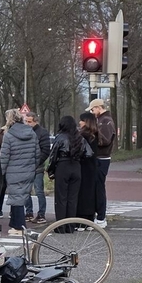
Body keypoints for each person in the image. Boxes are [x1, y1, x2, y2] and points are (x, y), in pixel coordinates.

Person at [0, 108, 38, 236]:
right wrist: (33, 166)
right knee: (21, 196)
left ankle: (19, 226)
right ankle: (15, 223)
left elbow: (4, 157)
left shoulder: (9, 135)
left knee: (16, 198)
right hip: (29, 169)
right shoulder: (32, 133)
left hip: (14, 171)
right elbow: (37, 153)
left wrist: (0, 173)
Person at [47, 116, 85, 233]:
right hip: (76, 167)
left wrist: (51, 171)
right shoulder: (80, 138)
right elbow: (88, 153)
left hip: (63, 167)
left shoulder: (60, 138)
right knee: (73, 198)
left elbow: (53, 156)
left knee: (61, 198)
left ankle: (61, 226)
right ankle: (70, 226)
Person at [87, 98, 115, 228]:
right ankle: (99, 215)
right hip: (99, 158)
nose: (92, 112)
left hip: (101, 158)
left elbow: (104, 141)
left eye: (93, 110)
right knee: (96, 187)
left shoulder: (105, 122)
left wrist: (93, 134)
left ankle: (101, 217)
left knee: (99, 187)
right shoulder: (102, 121)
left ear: (98, 108)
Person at [23, 110, 51, 225]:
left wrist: (37, 162)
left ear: (35, 122)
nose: (27, 124)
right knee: (26, 191)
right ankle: (29, 213)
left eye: (29, 122)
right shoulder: (25, 132)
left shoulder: (42, 133)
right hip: (26, 165)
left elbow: (45, 150)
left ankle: (41, 214)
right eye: (26, 121)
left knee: (39, 190)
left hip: (37, 166)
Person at [77, 112, 100, 224]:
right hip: (92, 166)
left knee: (82, 193)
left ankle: (81, 219)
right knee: (91, 192)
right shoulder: (95, 134)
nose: (79, 122)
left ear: (86, 122)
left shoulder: (82, 136)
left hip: (83, 166)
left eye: (81, 120)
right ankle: (89, 218)